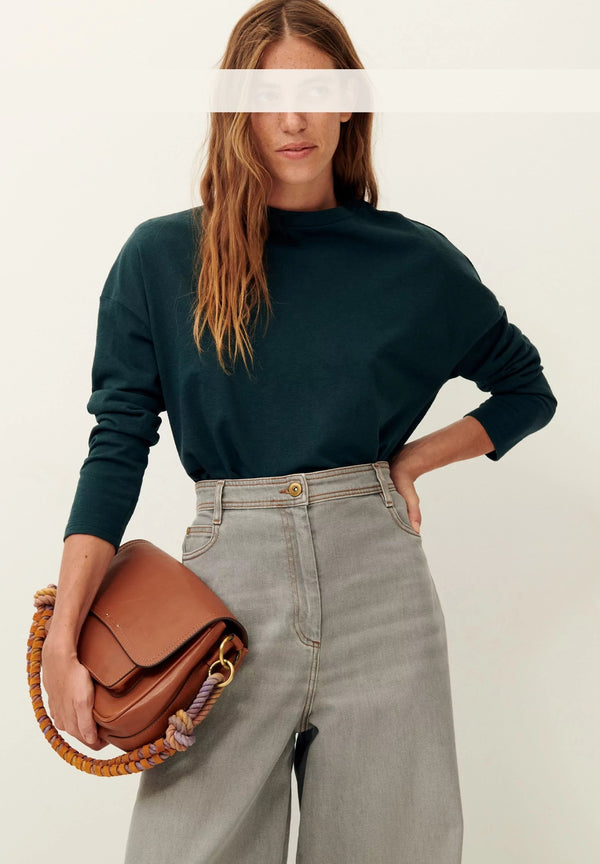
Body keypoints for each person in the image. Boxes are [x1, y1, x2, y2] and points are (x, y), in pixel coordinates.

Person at [41, 1, 557, 862]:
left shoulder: (412, 262)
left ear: (349, 103)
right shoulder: (163, 259)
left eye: (317, 92)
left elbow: (526, 389)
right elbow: (117, 445)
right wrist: (66, 634)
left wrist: (411, 462)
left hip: (381, 596)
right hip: (222, 604)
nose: (293, 118)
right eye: (269, 95)